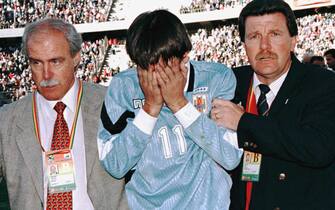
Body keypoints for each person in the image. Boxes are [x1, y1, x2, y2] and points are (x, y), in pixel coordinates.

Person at [97, 9, 242, 210]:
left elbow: (231, 156)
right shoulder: (124, 86)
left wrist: (179, 104)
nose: (154, 77)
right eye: (145, 68)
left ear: (184, 58)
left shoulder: (217, 78)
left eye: (164, 69)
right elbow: (114, 165)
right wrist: (149, 109)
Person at [210, 0, 335, 209]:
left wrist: (244, 123)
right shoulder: (228, 83)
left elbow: (318, 147)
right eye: (254, 36)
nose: (264, 46)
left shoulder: (322, 84)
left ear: (293, 40)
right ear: (244, 45)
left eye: (274, 34)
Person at [0, 18, 128, 210]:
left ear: (76, 57)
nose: (46, 75)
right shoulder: (7, 120)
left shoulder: (112, 104)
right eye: (36, 63)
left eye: (55, 61)